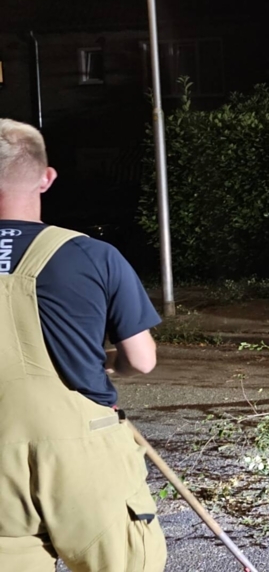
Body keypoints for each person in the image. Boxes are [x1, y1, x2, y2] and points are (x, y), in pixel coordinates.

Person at [0, 118, 166, 572]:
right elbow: (142, 359)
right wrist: (108, 365)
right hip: (81, 455)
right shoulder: (92, 254)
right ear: (46, 177)